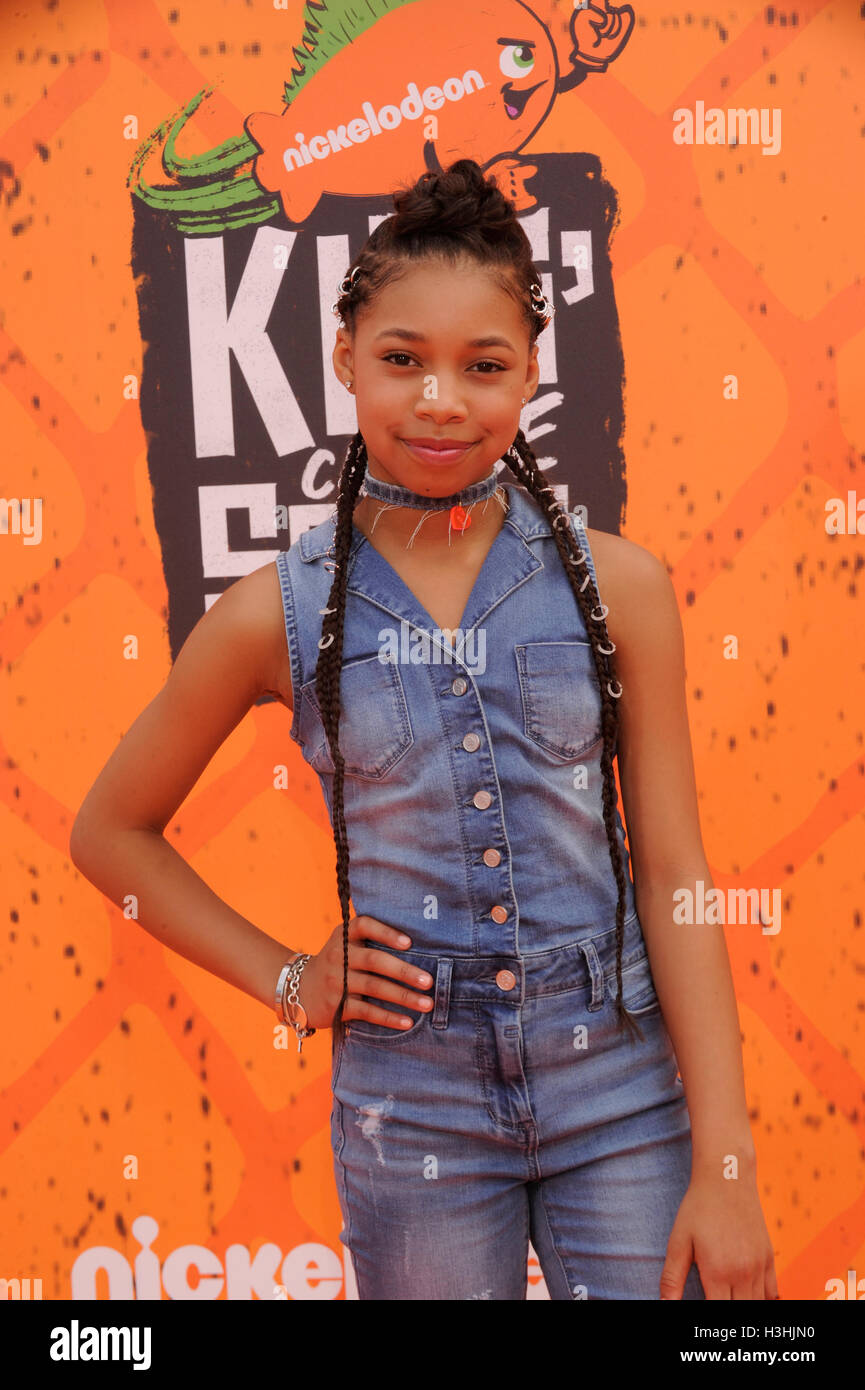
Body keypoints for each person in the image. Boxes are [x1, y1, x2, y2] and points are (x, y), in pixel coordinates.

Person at [71, 158, 778, 1302]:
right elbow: (112, 831)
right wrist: (293, 977)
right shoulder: (277, 612)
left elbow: (678, 879)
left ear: (530, 375)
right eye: (402, 360)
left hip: (624, 1089)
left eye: (482, 366)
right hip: (414, 1109)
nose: (440, 399)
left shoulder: (623, 588)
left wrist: (728, 1157)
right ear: (345, 359)